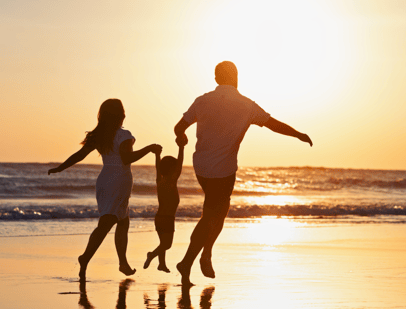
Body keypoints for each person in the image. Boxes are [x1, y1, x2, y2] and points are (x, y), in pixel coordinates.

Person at [174, 61, 313, 285]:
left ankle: (204, 254)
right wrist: (298, 134)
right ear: (236, 77)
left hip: (201, 167)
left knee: (216, 212)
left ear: (216, 78)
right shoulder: (247, 105)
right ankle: (190, 261)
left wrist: (181, 138)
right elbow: (273, 124)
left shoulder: (202, 101)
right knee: (212, 215)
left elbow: (179, 127)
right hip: (224, 170)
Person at [48, 98, 162, 281]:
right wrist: (150, 148)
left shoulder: (100, 134)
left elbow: (80, 155)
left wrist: (61, 167)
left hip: (105, 179)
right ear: (121, 115)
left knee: (122, 221)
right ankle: (86, 257)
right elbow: (126, 159)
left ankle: (122, 263)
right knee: (107, 223)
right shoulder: (123, 135)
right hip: (119, 181)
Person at [143, 139, 186, 273]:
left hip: (159, 218)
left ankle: (161, 264)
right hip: (167, 219)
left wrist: (157, 155)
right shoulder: (172, 181)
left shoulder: (159, 181)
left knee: (163, 243)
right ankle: (151, 255)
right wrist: (181, 148)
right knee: (167, 244)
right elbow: (180, 164)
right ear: (173, 169)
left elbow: (157, 167)